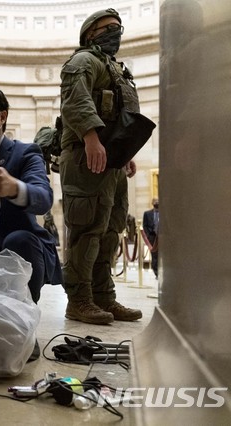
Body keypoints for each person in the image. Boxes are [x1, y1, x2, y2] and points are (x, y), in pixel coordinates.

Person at [58, 8, 143, 325]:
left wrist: (126, 151)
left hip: (113, 159)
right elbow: (75, 101)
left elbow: (121, 115)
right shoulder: (82, 62)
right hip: (85, 154)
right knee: (88, 229)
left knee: (110, 229)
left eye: (118, 27)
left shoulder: (115, 69)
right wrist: (91, 138)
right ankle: (79, 300)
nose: (115, 32)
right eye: (108, 28)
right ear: (90, 34)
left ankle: (104, 298)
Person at [0, 85, 63, 304]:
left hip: (18, 247)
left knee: (19, 240)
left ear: (2, 116)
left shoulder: (26, 153)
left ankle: (21, 317)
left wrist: (13, 187)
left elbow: (43, 199)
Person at [142, 198, 159, 278]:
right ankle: (156, 273)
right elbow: (145, 225)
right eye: (155, 201)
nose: (157, 202)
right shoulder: (147, 213)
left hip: (162, 236)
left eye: (158, 201)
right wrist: (148, 236)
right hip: (152, 237)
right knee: (154, 255)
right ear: (152, 203)